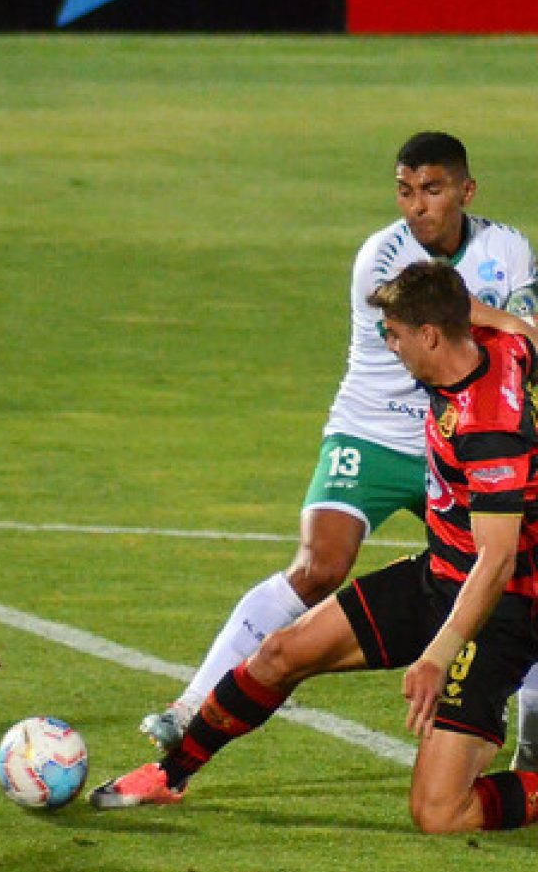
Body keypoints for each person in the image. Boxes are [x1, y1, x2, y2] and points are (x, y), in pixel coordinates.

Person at [91, 260, 538, 838]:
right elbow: (513, 327)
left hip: (497, 609)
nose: (389, 346)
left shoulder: (490, 428)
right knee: (281, 652)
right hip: (440, 576)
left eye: (395, 334)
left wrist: (438, 654)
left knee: (440, 813)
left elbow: (497, 560)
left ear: (429, 335)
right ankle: (168, 775)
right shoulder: (495, 342)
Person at [139, 131, 538, 772]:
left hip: (459, 434)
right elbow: (462, 327)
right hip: (375, 429)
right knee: (320, 566)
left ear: (466, 191)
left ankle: (532, 742)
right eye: (405, 191)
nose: (416, 206)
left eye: (431, 190)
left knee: (515, 575)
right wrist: (504, 323)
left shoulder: (507, 247)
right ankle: (193, 704)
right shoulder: (384, 257)